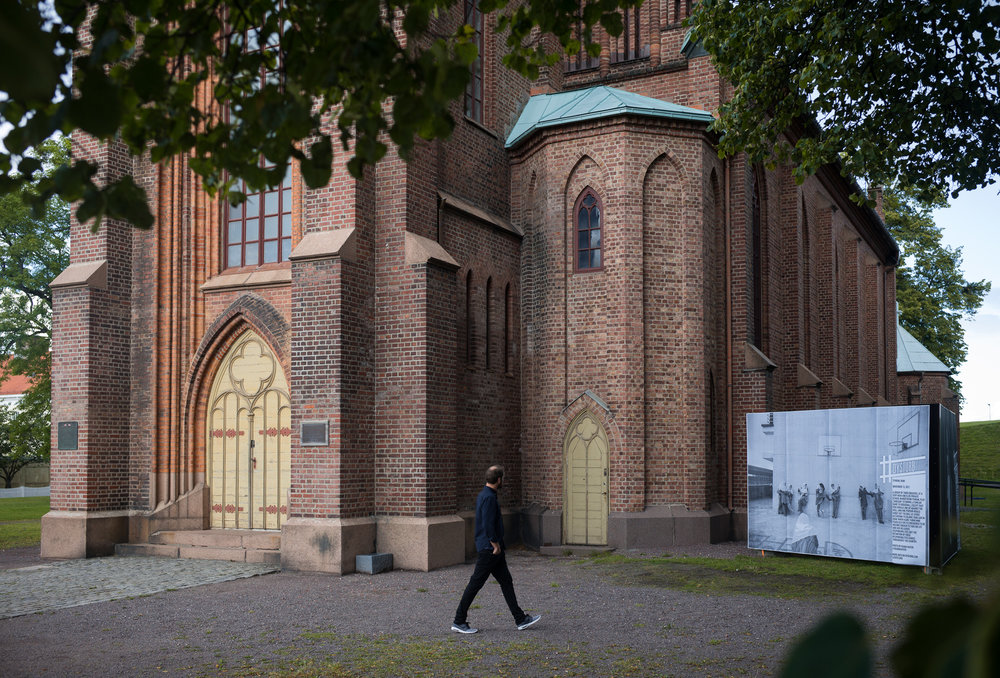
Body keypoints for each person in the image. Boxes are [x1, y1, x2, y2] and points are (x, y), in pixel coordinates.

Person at [452, 465, 541, 634]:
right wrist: (495, 544)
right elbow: (487, 524)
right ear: (499, 480)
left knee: (506, 582)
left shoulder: (486, 495)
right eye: (503, 479)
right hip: (490, 550)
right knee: (475, 584)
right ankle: (459, 620)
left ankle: (520, 618)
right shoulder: (489, 498)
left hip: (494, 550)